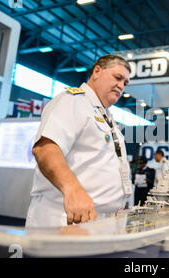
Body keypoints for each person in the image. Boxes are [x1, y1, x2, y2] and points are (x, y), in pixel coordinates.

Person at [25, 54, 132, 228]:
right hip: (66, 218)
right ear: (97, 71)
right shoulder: (73, 101)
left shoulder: (107, 117)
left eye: (125, 83)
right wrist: (72, 189)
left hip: (101, 220)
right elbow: (45, 149)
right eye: (118, 78)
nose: (121, 86)